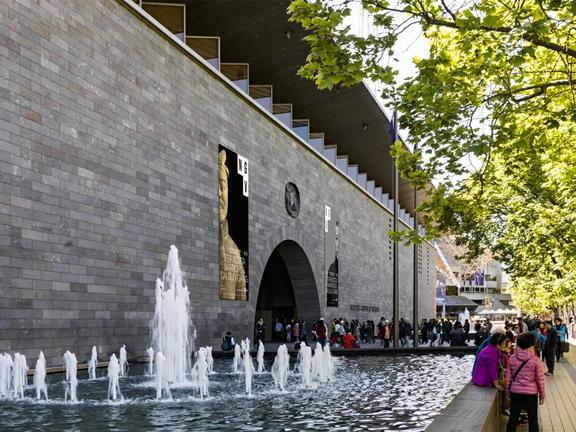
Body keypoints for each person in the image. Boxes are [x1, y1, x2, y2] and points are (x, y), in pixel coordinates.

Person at [505, 333, 545, 432]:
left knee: (513, 418)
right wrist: (542, 395)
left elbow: (508, 378)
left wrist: (507, 392)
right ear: (531, 345)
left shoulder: (512, 358)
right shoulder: (536, 360)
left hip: (516, 393)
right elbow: (540, 380)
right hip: (531, 394)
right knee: (533, 419)